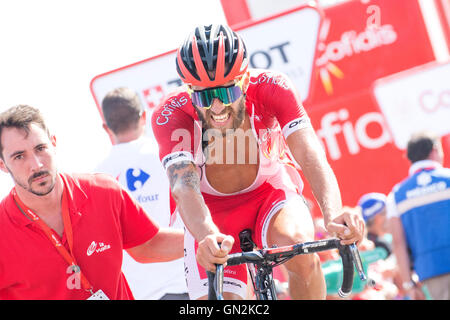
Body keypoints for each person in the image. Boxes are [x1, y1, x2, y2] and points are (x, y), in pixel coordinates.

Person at [151, 24, 364, 300]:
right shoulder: (171, 114)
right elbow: (184, 187)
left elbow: (311, 155)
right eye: (204, 96)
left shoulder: (272, 87)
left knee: (299, 248)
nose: (217, 108)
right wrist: (206, 236)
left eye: (227, 93)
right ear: (190, 90)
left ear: (245, 80)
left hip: (269, 195)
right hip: (210, 212)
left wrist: (333, 215)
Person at [0, 105, 184, 299]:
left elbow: (149, 244)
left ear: (54, 143)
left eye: (40, 148)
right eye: (19, 156)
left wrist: (208, 237)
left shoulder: (103, 191)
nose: (36, 165)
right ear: (3, 164)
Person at [95, 87, 188, 300]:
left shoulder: (97, 177)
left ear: (106, 127)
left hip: (141, 293)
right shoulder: (170, 154)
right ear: (144, 116)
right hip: (188, 283)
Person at [386, 131, 450, 300]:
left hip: (430, 273)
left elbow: (398, 243)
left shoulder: (396, 194)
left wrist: (408, 285)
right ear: (435, 150)